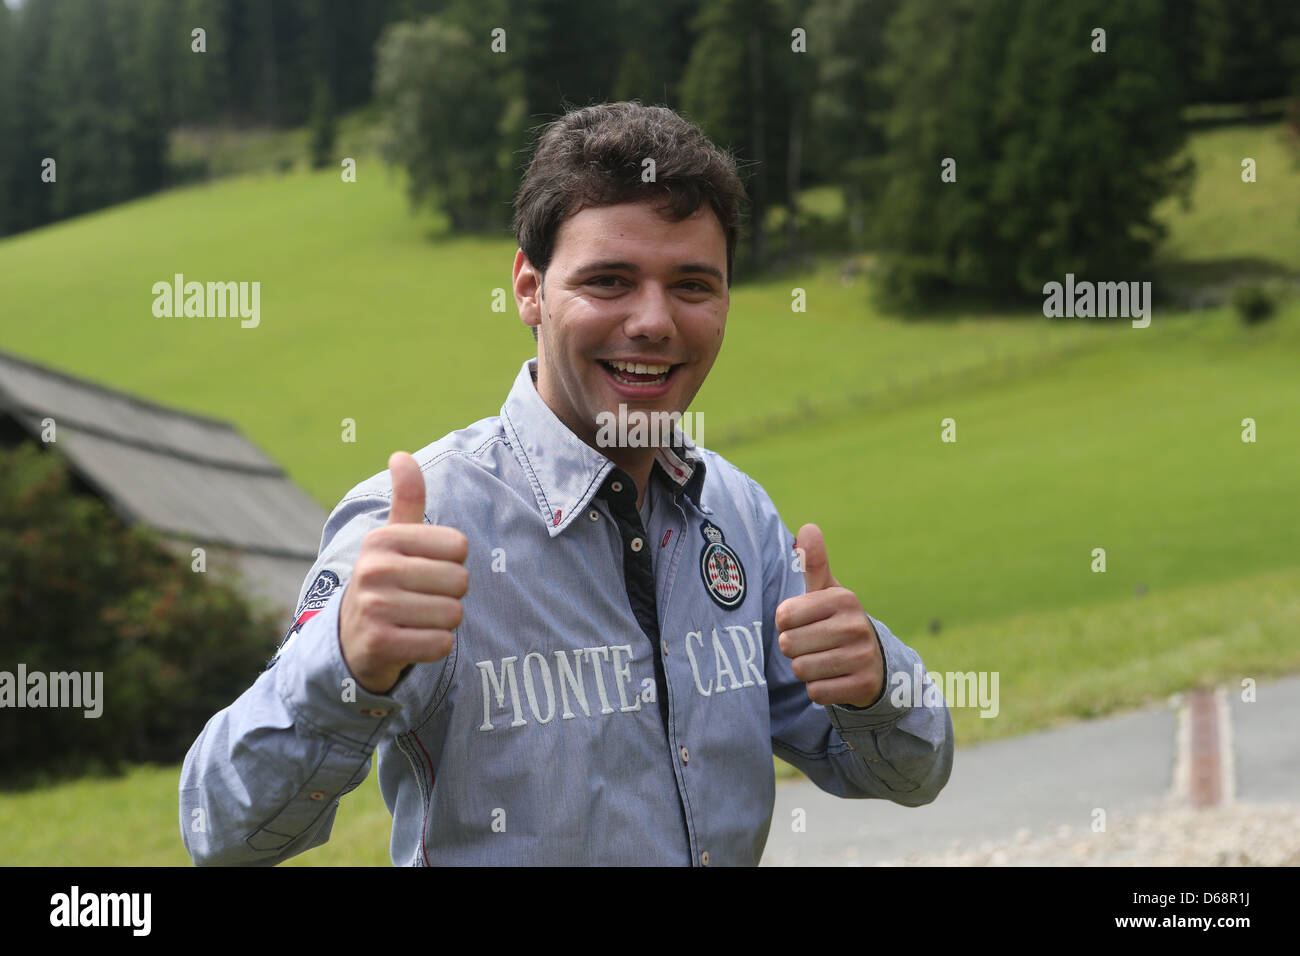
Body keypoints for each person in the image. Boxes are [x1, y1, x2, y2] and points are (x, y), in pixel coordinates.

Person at [180, 101, 953, 866]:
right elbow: (220, 830)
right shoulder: (419, 526)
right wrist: (344, 665)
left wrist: (877, 684)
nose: (653, 321)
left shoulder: (738, 515)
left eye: (692, 285)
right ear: (529, 288)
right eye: (609, 280)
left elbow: (911, 773)